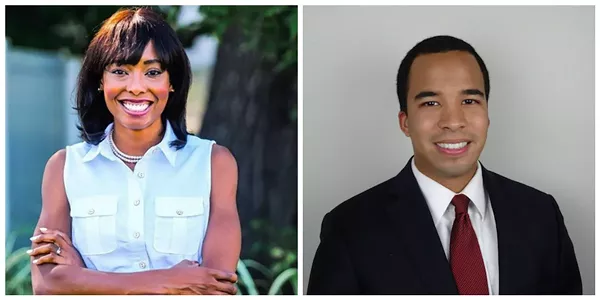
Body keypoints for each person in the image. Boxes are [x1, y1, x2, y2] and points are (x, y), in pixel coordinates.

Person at [307, 35, 582, 295]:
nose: (453, 120)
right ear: (405, 122)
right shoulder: (350, 229)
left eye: (470, 101)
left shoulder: (542, 216)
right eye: (431, 102)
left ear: (487, 114)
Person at [28, 7, 241, 295]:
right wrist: (169, 280)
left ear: (172, 82)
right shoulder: (64, 167)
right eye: (120, 72)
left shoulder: (215, 164)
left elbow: (215, 288)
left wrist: (83, 277)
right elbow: (46, 285)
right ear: (101, 81)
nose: (136, 87)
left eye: (153, 72)